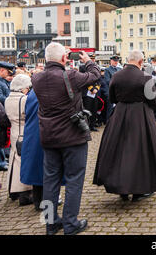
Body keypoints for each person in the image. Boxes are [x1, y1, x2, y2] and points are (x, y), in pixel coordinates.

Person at [31, 42, 100, 235]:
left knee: (50, 181)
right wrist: (88, 61)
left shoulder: (36, 78)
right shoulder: (70, 76)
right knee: (74, 180)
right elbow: (95, 76)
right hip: (72, 136)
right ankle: (70, 223)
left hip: (48, 136)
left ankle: (50, 223)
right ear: (64, 59)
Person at [93, 50, 156, 202]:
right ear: (140, 62)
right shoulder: (146, 77)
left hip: (120, 115)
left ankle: (121, 189)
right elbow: (154, 101)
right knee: (140, 152)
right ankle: (138, 190)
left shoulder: (116, 76)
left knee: (119, 151)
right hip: (141, 116)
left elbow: (112, 97)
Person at [4, 74, 33, 206]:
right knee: (24, 162)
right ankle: (25, 191)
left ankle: (13, 189)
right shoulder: (24, 99)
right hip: (24, 132)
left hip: (15, 131)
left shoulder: (8, 99)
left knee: (15, 161)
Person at [104, 56, 121, 120]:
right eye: (114, 61)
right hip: (112, 92)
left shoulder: (120, 69)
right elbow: (108, 81)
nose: (116, 62)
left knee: (118, 110)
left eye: (117, 61)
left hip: (119, 93)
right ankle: (108, 123)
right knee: (110, 109)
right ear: (111, 61)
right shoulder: (107, 70)